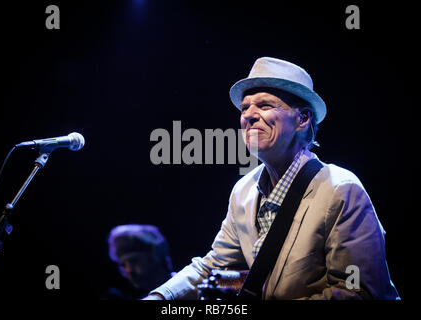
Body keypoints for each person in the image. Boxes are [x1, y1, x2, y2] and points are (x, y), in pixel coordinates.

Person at [144, 57, 400, 300]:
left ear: (302, 119)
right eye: (245, 107)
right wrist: (159, 297)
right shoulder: (243, 192)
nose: (249, 115)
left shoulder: (341, 190)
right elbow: (212, 267)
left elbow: (360, 292)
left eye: (265, 105)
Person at [103, 224, 174, 300]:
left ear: (155, 256)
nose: (129, 270)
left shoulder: (184, 285)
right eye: (123, 265)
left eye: (133, 261)